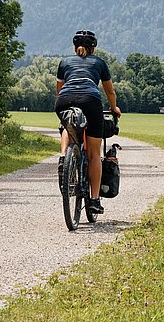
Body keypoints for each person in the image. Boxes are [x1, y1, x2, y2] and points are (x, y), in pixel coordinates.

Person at [54, 30, 121, 214]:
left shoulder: (65, 62)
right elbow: (110, 92)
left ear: (75, 47)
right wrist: (114, 108)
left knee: (67, 124)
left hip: (64, 100)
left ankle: (63, 158)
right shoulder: (99, 62)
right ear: (93, 48)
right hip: (90, 100)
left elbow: (59, 90)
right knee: (93, 153)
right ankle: (94, 199)